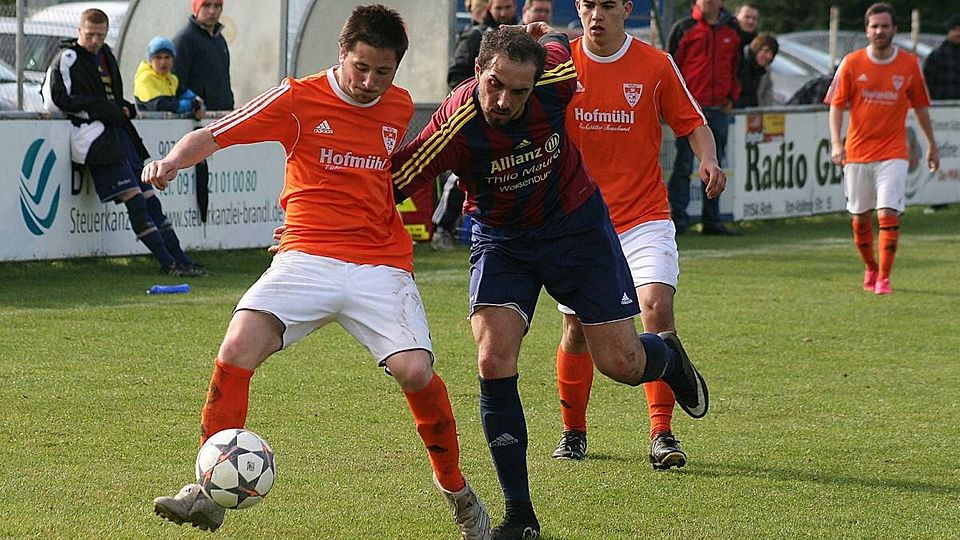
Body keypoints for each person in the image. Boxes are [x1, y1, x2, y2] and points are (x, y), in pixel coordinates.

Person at [146, 6, 490, 538]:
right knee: (237, 347)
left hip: (380, 263)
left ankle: (459, 494)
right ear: (341, 53)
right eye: (361, 68)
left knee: (415, 373)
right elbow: (215, 134)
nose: (370, 82)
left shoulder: (399, 105)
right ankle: (208, 492)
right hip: (305, 258)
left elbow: (389, 168)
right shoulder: (296, 98)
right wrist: (170, 162)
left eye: (383, 71)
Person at [392, 24, 711, 540]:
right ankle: (520, 516)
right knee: (493, 359)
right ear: (478, 70)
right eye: (495, 84)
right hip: (503, 241)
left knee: (622, 364)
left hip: (575, 229)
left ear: (536, 82)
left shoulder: (557, 77)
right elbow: (394, 181)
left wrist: (547, 34)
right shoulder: (455, 124)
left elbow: (558, 42)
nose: (504, 101)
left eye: (519, 91)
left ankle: (667, 356)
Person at [549, 0, 724, 469]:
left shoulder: (656, 64)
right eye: (588, 4)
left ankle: (662, 433)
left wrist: (708, 159)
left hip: (645, 217)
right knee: (577, 330)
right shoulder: (560, 64)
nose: (596, 15)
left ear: (626, 8)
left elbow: (694, 123)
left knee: (657, 310)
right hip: (582, 223)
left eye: (607, 5)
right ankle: (573, 430)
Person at [41, 9, 205, 277]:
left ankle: (182, 260)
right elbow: (61, 100)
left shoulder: (105, 54)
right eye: (90, 35)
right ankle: (169, 263)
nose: (95, 40)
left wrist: (123, 107)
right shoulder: (68, 57)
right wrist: (108, 109)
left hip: (119, 135)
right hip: (93, 139)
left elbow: (113, 98)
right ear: (79, 31)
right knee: (136, 200)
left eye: (100, 35)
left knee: (151, 199)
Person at [826, 2, 939, 296]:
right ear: (866, 30)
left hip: (894, 152)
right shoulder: (851, 63)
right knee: (860, 217)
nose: (879, 31)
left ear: (894, 30)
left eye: (885, 26)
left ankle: (884, 278)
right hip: (857, 152)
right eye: (874, 26)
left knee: (887, 212)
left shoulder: (910, 64)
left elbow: (921, 107)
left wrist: (931, 144)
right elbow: (836, 106)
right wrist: (836, 143)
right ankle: (871, 267)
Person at [434, 0, 520, 252]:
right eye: (498, 8)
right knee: (461, 172)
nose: (503, 13)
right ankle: (442, 228)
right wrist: (476, 101)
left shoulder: (523, 36)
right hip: (478, 119)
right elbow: (455, 75)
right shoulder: (476, 36)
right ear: (489, 8)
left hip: (512, 120)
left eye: (507, 7)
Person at [667, 0, 741, 236]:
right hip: (689, 111)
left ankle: (711, 221)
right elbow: (670, 67)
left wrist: (731, 96)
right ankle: (678, 219)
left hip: (718, 109)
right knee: (683, 166)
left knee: (715, 166)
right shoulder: (683, 28)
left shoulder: (732, 31)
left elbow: (736, 67)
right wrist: (676, 101)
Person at [173, 0, 233, 110]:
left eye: (217, 6)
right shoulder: (184, 40)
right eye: (206, 5)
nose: (212, 11)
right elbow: (176, 84)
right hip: (198, 116)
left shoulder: (219, 40)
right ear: (196, 8)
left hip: (223, 113)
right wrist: (193, 105)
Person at [133, 36, 205, 119]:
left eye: (167, 57)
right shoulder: (144, 79)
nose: (163, 62)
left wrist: (199, 106)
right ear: (150, 60)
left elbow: (193, 98)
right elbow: (160, 106)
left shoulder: (173, 79)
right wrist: (191, 105)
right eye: (158, 57)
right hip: (148, 125)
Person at [922, 13, 960, 100]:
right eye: (955, 29)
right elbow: (926, 86)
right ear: (948, 31)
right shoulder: (936, 56)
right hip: (941, 105)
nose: (958, 33)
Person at [735, 32, 778, 108]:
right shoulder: (739, 62)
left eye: (772, 54)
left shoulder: (765, 71)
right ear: (756, 48)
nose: (769, 56)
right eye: (766, 51)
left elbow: (767, 95)